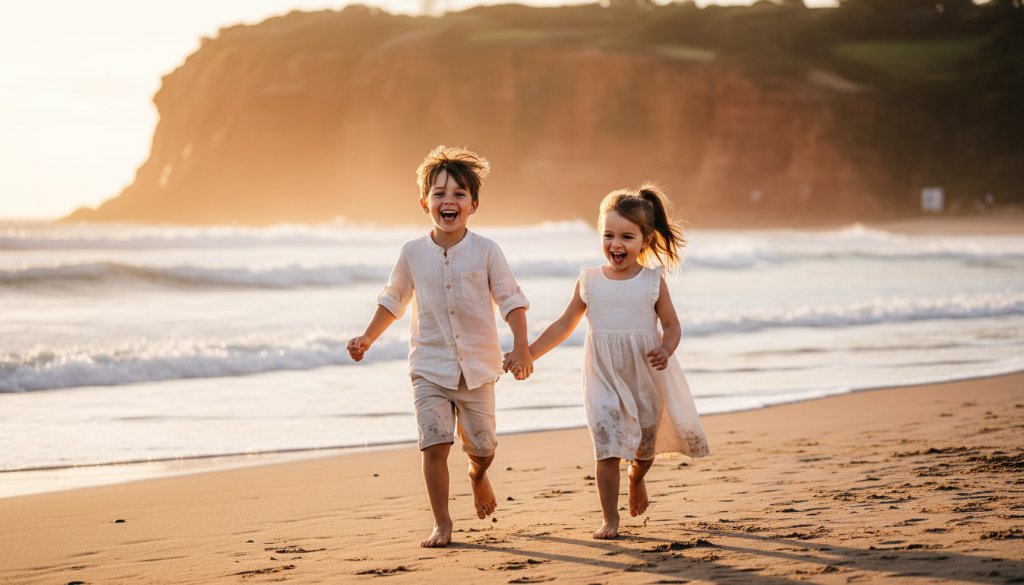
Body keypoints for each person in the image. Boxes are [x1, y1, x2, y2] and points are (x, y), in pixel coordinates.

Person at [347, 145, 533, 548]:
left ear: (474, 204)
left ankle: (478, 474)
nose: (448, 200)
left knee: (483, 446)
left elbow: (512, 301)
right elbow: (393, 300)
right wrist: (366, 337)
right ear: (424, 202)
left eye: (459, 194)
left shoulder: (487, 251)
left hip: (479, 367)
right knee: (434, 443)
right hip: (428, 365)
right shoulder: (411, 253)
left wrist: (521, 347)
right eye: (439, 193)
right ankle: (442, 522)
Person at [508, 183, 709, 539]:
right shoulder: (589, 281)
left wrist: (666, 348)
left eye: (627, 237)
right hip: (602, 374)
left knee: (645, 448)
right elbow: (563, 325)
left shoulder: (652, 282)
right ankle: (609, 518)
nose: (616, 244)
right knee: (607, 446)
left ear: (645, 240)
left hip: (644, 373)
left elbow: (673, 325)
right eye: (609, 235)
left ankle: (637, 479)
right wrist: (528, 354)